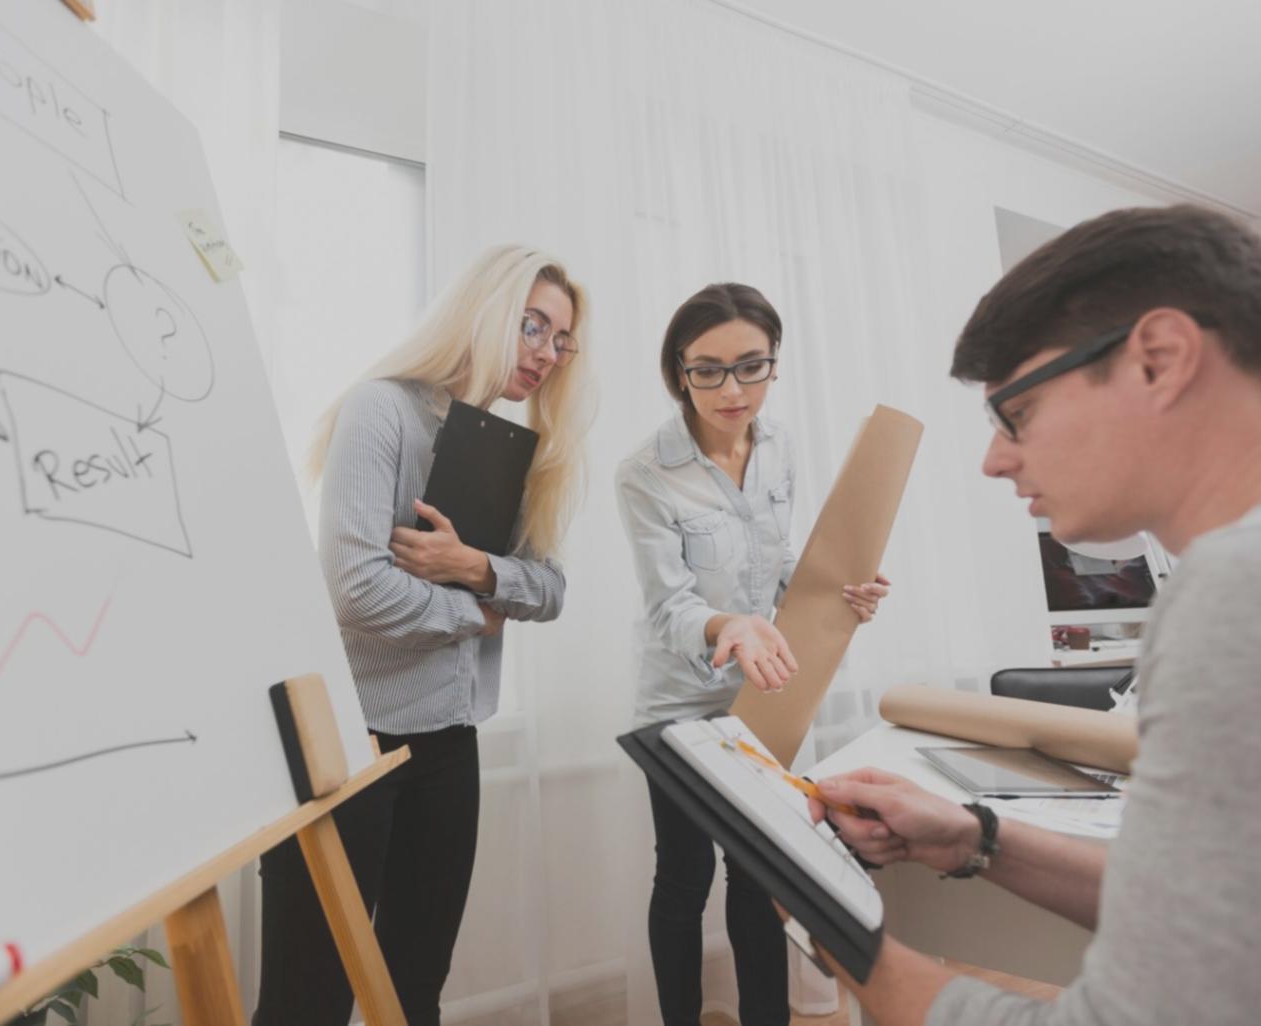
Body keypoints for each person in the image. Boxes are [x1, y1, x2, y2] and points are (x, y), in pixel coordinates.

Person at [808, 205, 1261, 1025]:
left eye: (1014, 413)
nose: (993, 459)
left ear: (1157, 360)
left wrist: (842, 933)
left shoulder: (1254, 586)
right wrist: (975, 838)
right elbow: (1228, 911)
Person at [254, 245, 594, 1026]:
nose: (544, 352)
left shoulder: (511, 447)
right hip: (350, 743)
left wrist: (475, 566)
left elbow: (549, 589)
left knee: (414, 991)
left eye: (559, 338)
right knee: (307, 1001)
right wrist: (476, 612)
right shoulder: (382, 408)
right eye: (531, 325)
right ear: (481, 311)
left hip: (448, 739)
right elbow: (355, 589)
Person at [616, 282, 890, 1026]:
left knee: (756, 869)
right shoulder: (645, 472)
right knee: (682, 875)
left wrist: (840, 594)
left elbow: (776, 570)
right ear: (677, 371)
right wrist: (728, 625)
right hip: (676, 705)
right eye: (706, 369)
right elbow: (669, 605)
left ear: (774, 364)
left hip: (762, 695)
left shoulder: (779, 447)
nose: (730, 389)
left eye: (749, 366)